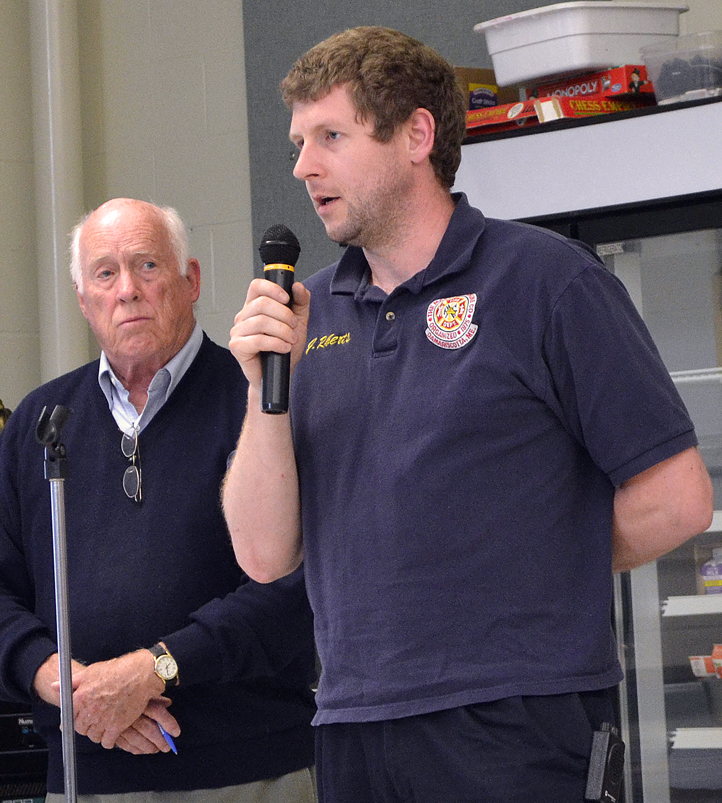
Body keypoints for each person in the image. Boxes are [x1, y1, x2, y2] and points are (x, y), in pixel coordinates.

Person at [221, 26, 714, 803]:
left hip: (515, 717)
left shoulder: (548, 282)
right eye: (297, 142)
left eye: (331, 136)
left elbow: (679, 496)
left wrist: (539, 571)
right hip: (353, 720)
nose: (303, 166)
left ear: (416, 135)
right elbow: (262, 554)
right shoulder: (306, 312)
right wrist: (259, 390)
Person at [0, 198, 317, 803]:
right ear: (83, 300)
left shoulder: (262, 400)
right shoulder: (40, 422)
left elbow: (295, 589)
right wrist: (73, 691)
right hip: (85, 775)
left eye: (147, 265)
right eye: (105, 273)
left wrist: (153, 669)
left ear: (191, 280)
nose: (127, 290)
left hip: (250, 771)